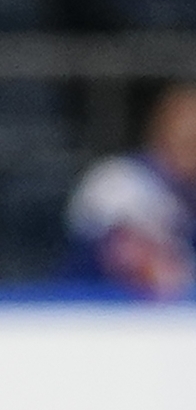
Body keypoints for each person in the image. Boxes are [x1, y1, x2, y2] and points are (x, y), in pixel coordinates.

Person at [66, 79, 196, 297]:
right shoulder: (119, 181)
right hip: (96, 312)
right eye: (188, 137)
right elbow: (134, 261)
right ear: (162, 130)